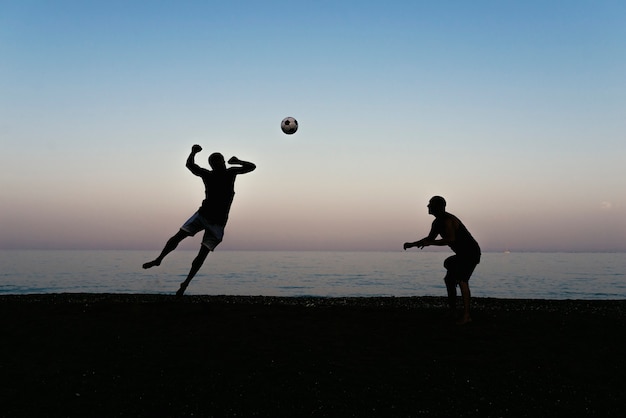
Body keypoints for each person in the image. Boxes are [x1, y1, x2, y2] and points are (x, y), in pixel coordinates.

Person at [143, 144, 256, 296]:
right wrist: (193, 152)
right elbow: (190, 165)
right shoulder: (215, 174)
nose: (220, 164)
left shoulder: (229, 172)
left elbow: (252, 166)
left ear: (222, 162)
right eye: (217, 162)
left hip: (216, 222)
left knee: (200, 254)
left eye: (221, 161)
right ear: (213, 165)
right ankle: (159, 259)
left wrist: (237, 161)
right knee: (179, 237)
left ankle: (185, 283)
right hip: (203, 215)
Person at [403, 196, 481, 325]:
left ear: (437, 207)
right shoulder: (437, 222)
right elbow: (429, 239)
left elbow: (450, 239)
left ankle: (466, 316)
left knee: (462, 281)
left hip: (471, 253)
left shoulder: (448, 220)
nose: (427, 206)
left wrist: (431, 243)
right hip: (461, 255)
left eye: (430, 204)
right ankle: (453, 311)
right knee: (449, 279)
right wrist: (412, 244)